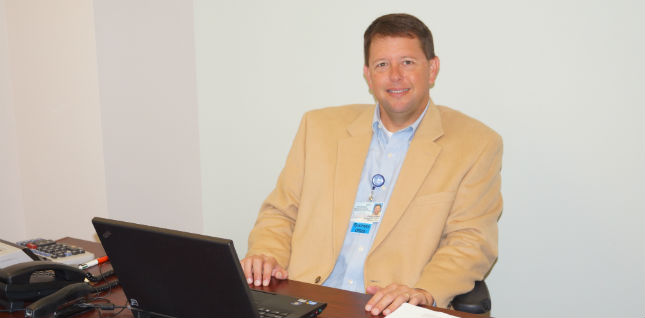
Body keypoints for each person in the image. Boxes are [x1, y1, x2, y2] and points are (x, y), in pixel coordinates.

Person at [241, 13, 503, 316]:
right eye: (382, 64)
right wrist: (267, 255)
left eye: (407, 62)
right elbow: (281, 212)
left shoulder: (475, 145)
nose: (395, 75)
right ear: (368, 75)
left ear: (432, 69)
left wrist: (425, 291)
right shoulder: (319, 127)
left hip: (389, 305)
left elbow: (471, 241)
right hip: (305, 298)